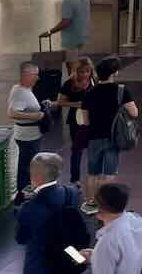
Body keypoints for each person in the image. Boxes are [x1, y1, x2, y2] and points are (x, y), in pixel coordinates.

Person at [81, 57, 138, 216]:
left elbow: (85, 121)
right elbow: (134, 112)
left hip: (93, 138)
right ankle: (105, 204)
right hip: (114, 138)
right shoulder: (121, 90)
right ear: (114, 72)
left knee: (93, 173)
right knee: (109, 174)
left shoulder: (89, 93)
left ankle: (91, 202)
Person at [15, 152, 82, 274]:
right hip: (69, 260)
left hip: (40, 266)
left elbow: (21, 238)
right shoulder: (72, 193)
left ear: (34, 177)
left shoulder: (28, 208)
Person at [83, 182, 142, 274]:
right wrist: (95, 255)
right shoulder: (135, 220)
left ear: (100, 209)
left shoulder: (107, 242)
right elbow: (124, 256)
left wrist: (99, 255)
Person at [8, 62, 46, 205]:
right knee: (27, 167)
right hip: (27, 137)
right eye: (35, 74)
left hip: (30, 135)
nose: (38, 77)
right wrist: (36, 116)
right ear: (27, 75)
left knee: (28, 165)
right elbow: (11, 113)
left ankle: (25, 194)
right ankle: (24, 196)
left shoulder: (21, 89)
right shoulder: (20, 91)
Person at [57, 58, 96, 188]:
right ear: (76, 71)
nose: (84, 74)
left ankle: (94, 175)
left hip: (92, 119)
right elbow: (60, 102)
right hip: (76, 121)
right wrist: (77, 104)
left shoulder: (94, 81)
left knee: (94, 148)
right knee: (77, 150)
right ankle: (75, 179)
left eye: (87, 71)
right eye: (81, 71)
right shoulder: (69, 83)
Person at [41, 0, 91, 77]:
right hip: (83, 37)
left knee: (72, 68)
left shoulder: (68, 2)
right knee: (82, 66)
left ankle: (74, 87)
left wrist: (50, 32)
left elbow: (65, 22)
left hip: (71, 40)